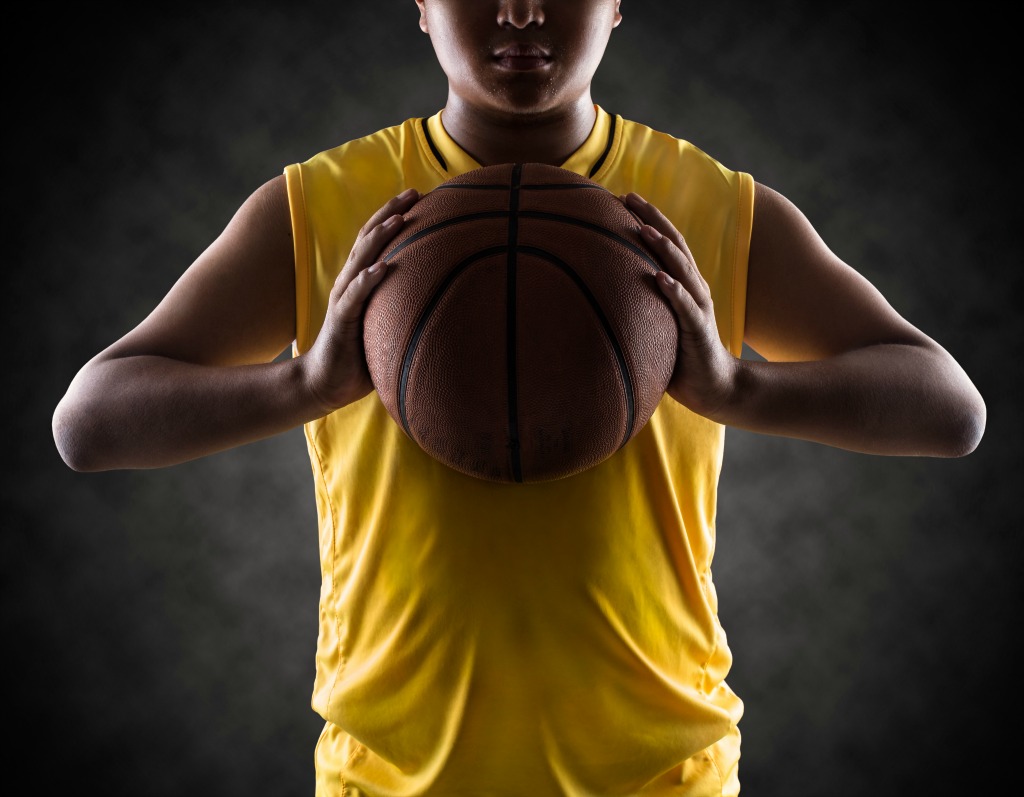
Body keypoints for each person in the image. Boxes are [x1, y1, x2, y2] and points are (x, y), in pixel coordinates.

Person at [51, 1, 986, 795]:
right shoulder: (323, 209)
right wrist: (304, 382)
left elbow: (951, 408)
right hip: (390, 775)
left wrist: (740, 386)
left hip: (663, 775)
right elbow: (88, 422)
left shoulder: (707, 209)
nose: (523, 11)